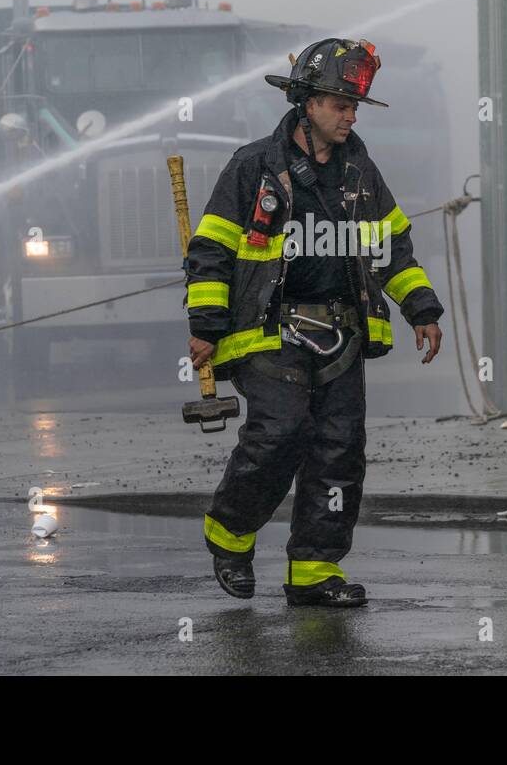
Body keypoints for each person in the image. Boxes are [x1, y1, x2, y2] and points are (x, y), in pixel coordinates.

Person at [184, 37, 444, 607]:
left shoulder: (361, 173)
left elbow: (393, 247)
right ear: (307, 104)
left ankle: (313, 570)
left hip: (341, 333)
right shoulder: (253, 166)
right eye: (341, 105)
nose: (351, 116)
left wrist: (421, 309)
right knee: (280, 432)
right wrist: (205, 324)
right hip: (268, 330)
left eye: (354, 107)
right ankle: (229, 533)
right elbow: (212, 249)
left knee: (339, 449)